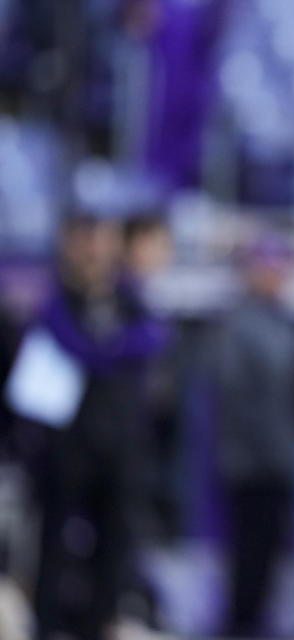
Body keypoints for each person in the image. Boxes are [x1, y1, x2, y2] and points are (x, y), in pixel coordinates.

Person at [9, 212, 170, 640]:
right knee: (53, 545)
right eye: (84, 241)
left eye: (100, 241)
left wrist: (103, 349)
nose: (93, 251)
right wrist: (109, 350)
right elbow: (70, 342)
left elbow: (154, 338)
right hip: (65, 449)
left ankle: (98, 625)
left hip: (121, 446)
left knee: (114, 547)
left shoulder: (128, 298)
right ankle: (46, 626)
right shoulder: (57, 299)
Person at [212, 229, 294, 637]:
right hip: (250, 461)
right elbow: (235, 397)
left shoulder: (286, 321)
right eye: (267, 267)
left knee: (271, 552)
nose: (275, 275)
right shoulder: (239, 324)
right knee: (248, 551)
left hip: (282, 458)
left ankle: (258, 620)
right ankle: (240, 623)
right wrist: (269, 448)